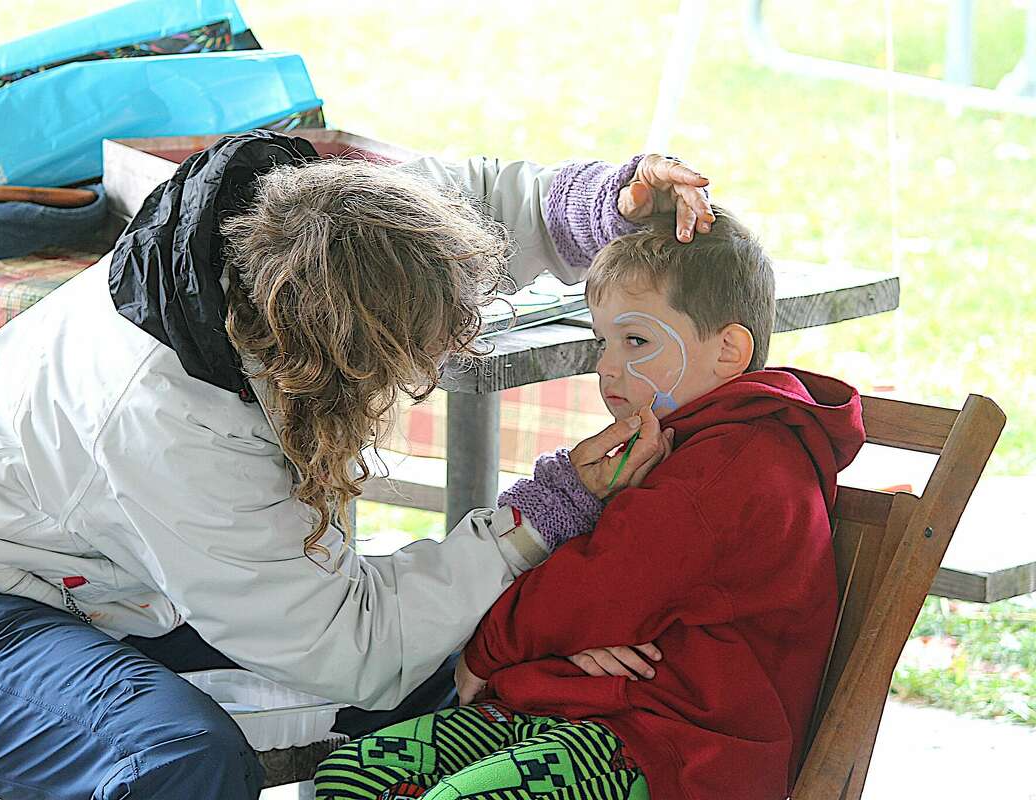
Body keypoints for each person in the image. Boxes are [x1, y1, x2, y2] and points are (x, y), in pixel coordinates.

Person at [0, 130, 715, 800]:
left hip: (110, 577)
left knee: (466, 668)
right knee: (172, 762)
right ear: (326, 356)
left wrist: (604, 204)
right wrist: (537, 519)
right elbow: (353, 646)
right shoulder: (172, 420)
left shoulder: (320, 216)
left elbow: (468, 205)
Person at [313, 208, 867, 800]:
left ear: (729, 350)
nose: (605, 366)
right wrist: (569, 641)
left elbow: (597, 589)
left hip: (673, 751)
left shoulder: (730, 468)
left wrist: (487, 653)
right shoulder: (679, 444)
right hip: (586, 711)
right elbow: (600, 599)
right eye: (602, 341)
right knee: (356, 772)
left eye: (635, 340)